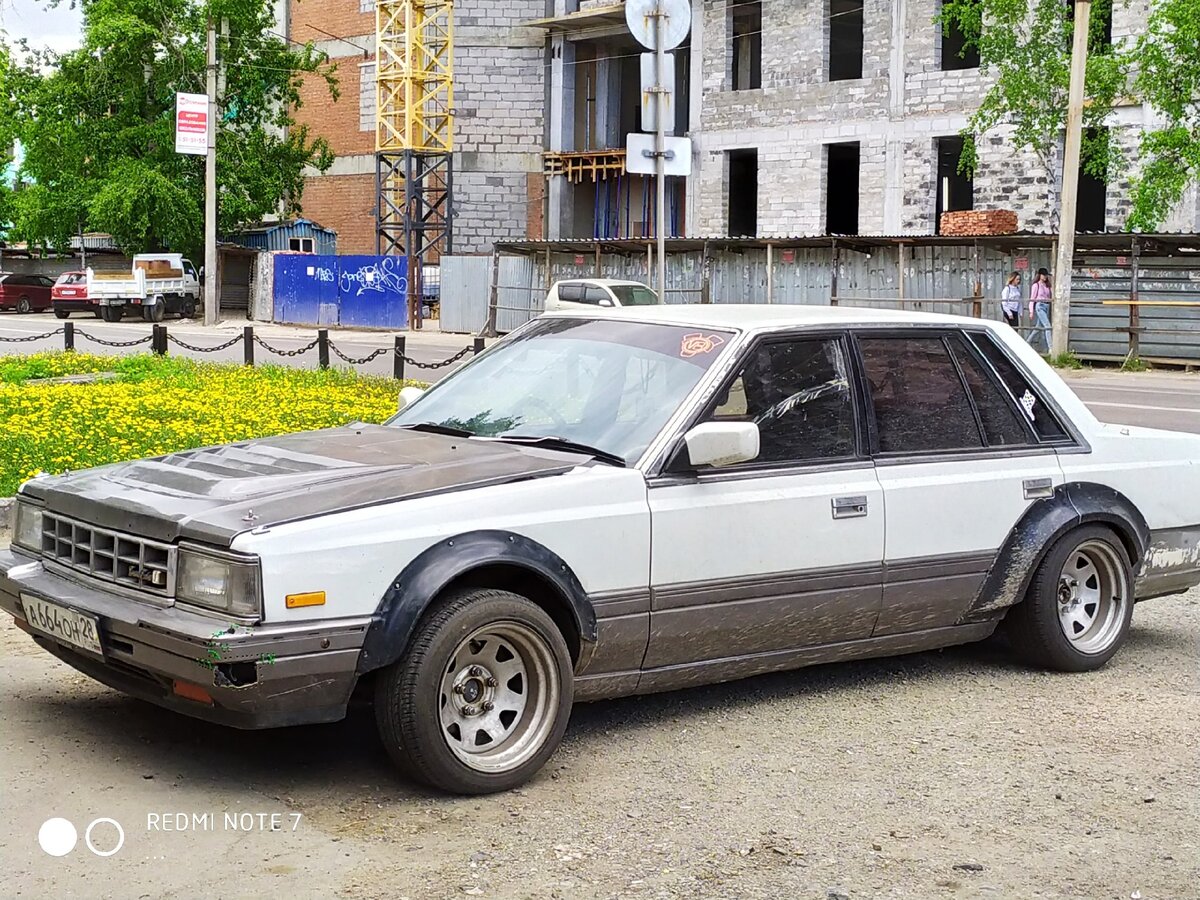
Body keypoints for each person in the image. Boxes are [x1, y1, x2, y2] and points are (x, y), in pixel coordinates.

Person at [1028, 268, 1052, 352]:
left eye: (1046, 275)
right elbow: (1032, 298)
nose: (1045, 277)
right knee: (1048, 326)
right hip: (1040, 306)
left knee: (1038, 327)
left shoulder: (1047, 285)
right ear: (1040, 275)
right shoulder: (1036, 285)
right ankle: (1051, 348)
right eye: (1043, 275)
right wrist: (1031, 311)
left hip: (1047, 306)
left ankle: (1027, 342)